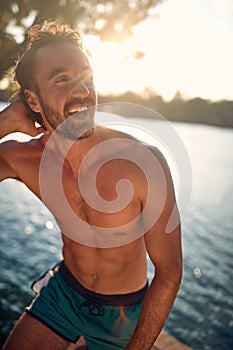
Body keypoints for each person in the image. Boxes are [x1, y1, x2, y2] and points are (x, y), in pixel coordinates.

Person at [0, 20, 182, 350]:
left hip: (125, 314)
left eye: (86, 76)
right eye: (62, 80)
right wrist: (6, 121)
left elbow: (169, 271)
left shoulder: (143, 162)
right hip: (64, 294)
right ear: (34, 100)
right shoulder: (23, 159)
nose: (83, 91)